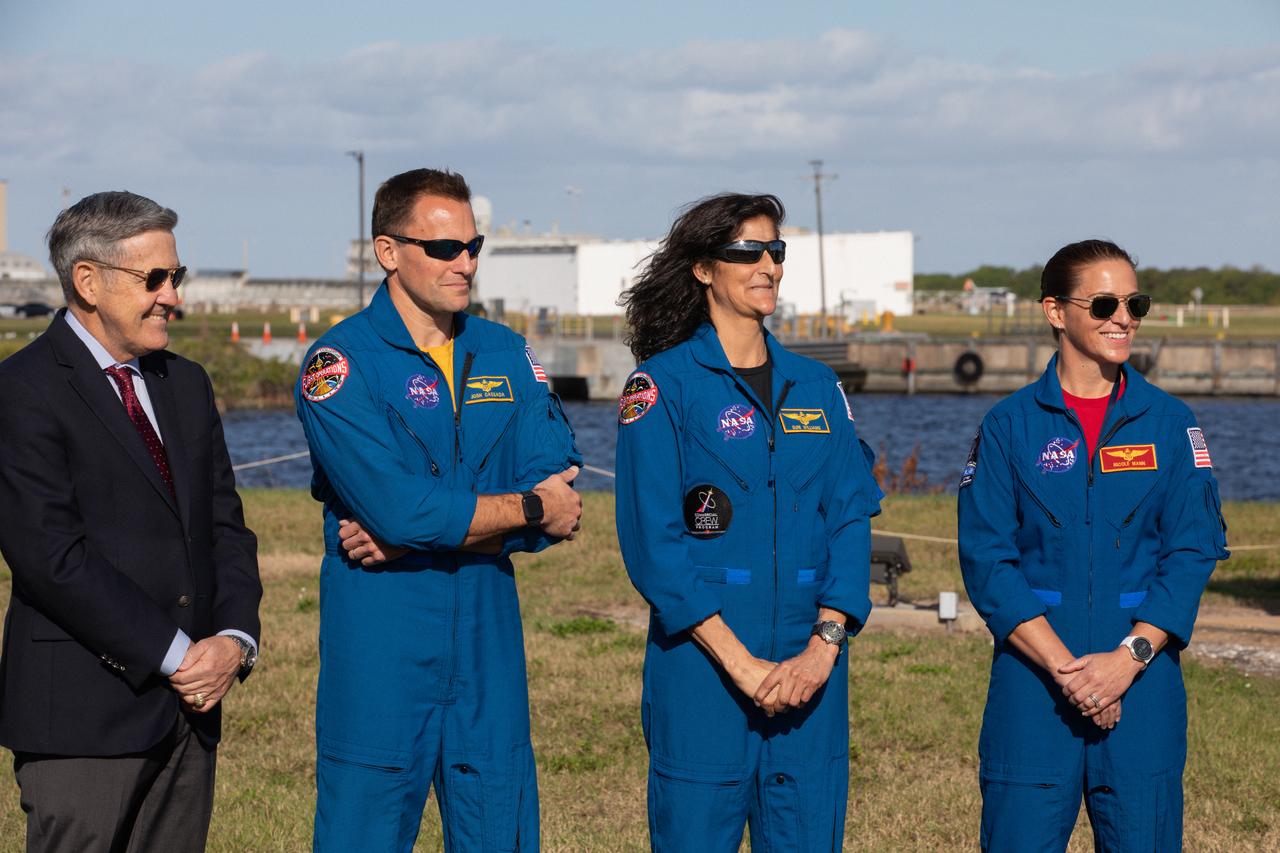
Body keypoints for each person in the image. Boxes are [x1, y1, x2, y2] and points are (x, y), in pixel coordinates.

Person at [295, 168, 583, 852]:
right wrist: (521, 509)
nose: (467, 263)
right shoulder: (339, 363)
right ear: (388, 251)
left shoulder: (506, 352)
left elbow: (561, 494)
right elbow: (398, 506)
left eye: (473, 245)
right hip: (382, 644)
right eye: (445, 248)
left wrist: (415, 535)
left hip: (487, 642)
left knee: (500, 833)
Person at [614, 193, 881, 852]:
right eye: (747, 251)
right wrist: (740, 664)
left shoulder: (817, 387)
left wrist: (824, 645)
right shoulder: (661, 387)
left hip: (809, 671)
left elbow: (850, 516)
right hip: (703, 667)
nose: (768, 265)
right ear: (705, 268)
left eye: (776, 250)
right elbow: (655, 544)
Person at [0, 191, 262, 852]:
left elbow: (225, 529)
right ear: (87, 281)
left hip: (190, 719)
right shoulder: (21, 391)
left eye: (177, 275)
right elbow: (52, 558)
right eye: (154, 278)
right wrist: (178, 656)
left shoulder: (187, 383)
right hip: (83, 722)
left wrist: (232, 640)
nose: (172, 295)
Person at [957, 239, 1230, 851]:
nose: (1123, 318)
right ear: (1056, 312)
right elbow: (988, 561)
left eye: (1136, 303)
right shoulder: (1009, 426)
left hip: (1143, 683)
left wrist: (1126, 660)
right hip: (1033, 687)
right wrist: (1074, 675)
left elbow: (1190, 553)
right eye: (1105, 303)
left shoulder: (1170, 424)